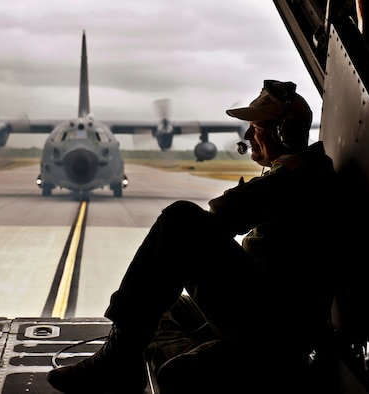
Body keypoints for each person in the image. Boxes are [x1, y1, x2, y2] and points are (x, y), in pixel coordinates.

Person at [47, 80, 342, 393]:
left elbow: (225, 211)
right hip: (272, 310)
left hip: (279, 329)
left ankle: (119, 362)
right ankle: (144, 362)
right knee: (166, 306)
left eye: (255, 127)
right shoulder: (297, 172)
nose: (247, 136)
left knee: (180, 220)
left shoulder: (301, 176)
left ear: (286, 132)